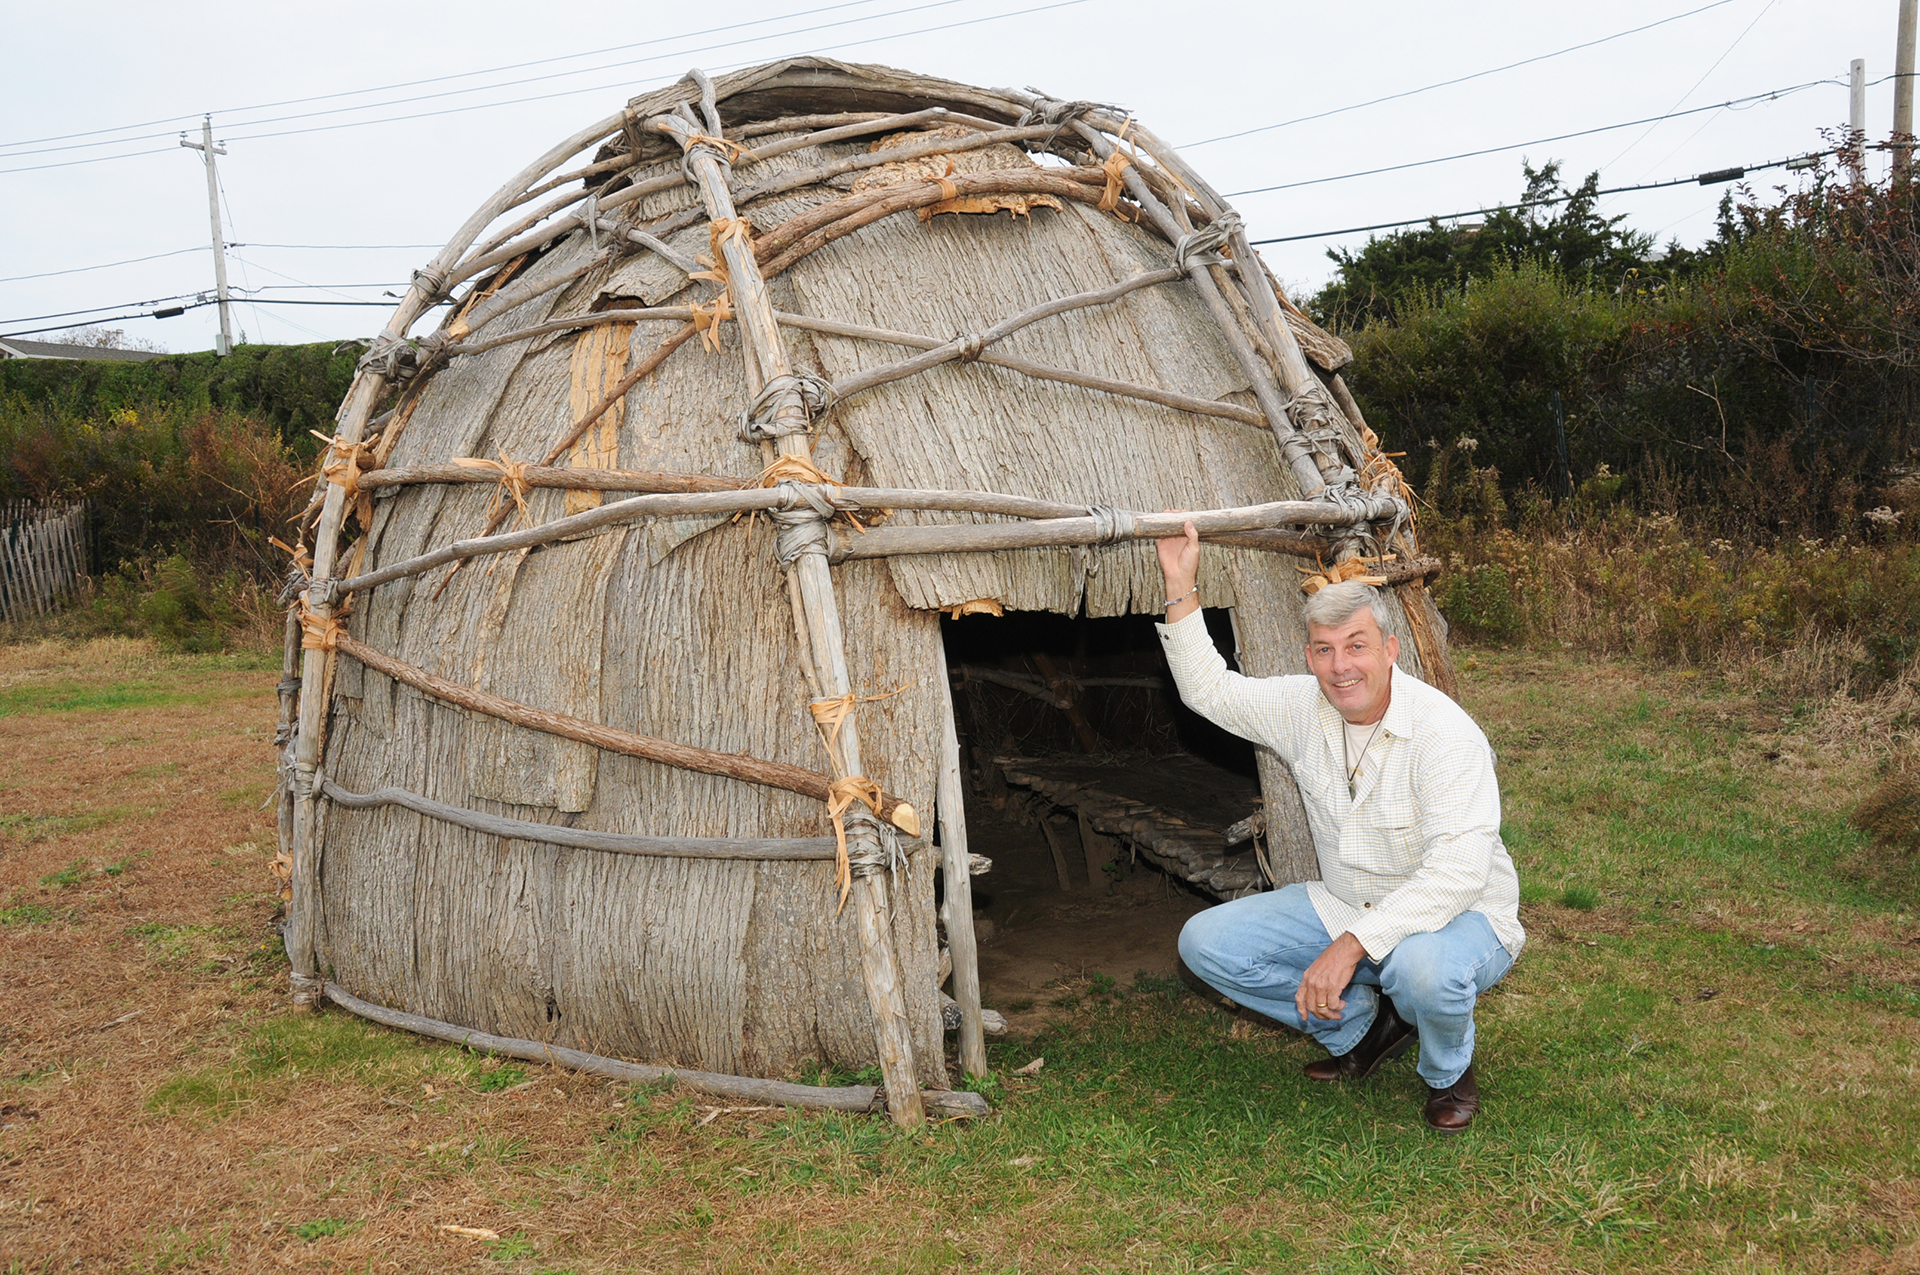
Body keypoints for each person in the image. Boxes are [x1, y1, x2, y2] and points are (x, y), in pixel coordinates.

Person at [1154, 521, 1523, 1133]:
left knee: (1421, 969)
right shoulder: (1304, 706)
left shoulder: (1445, 733)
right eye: (1324, 649)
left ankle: (1447, 1072)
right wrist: (1180, 586)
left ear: (1389, 649)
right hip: (1347, 902)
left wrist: (1351, 947)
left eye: (1356, 645)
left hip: (1462, 914)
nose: (1340, 665)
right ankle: (1364, 1029)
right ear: (1309, 656)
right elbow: (1209, 692)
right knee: (1204, 944)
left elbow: (1457, 875)